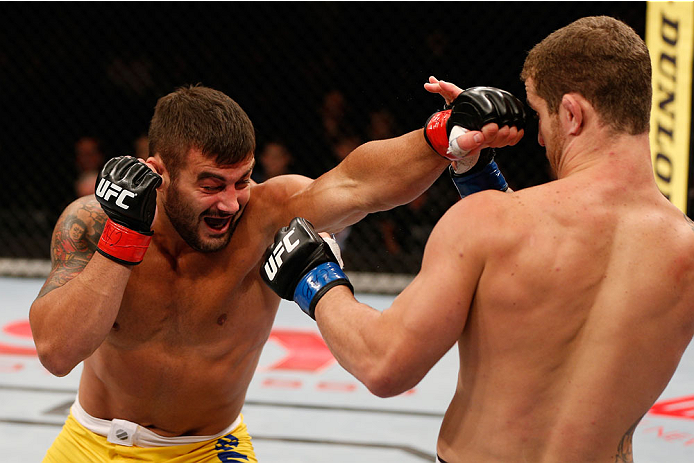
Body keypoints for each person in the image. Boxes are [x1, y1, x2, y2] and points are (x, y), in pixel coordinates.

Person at [261, 16, 694, 463]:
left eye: (540, 115)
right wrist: (477, 172)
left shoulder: (488, 223)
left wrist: (315, 276)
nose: (541, 138)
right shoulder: (685, 248)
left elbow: (384, 363)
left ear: (571, 113)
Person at [29, 81, 523, 462]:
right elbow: (57, 351)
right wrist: (124, 239)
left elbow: (360, 184)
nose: (229, 202)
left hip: (208, 447)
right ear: (159, 172)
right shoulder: (93, 221)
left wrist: (443, 136)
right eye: (210, 184)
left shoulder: (266, 213)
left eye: (240, 180)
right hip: (89, 442)